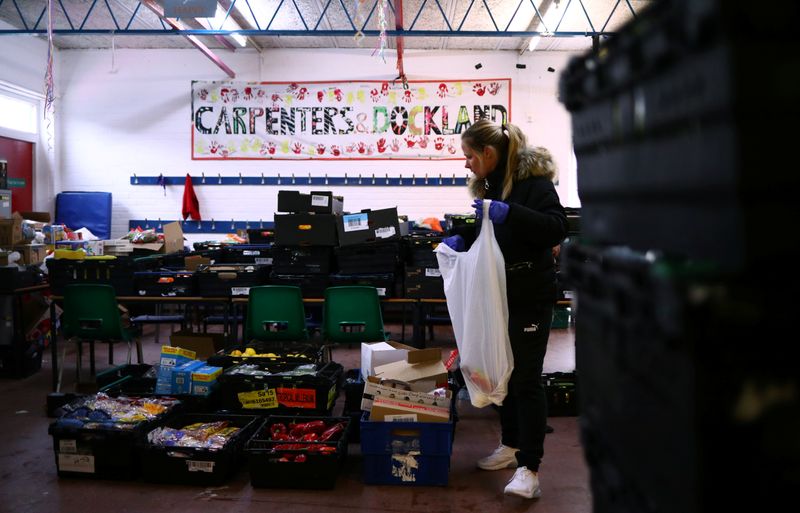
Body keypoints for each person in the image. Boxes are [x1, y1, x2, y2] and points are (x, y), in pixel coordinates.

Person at [442, 119, 567, 499]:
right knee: (503, 375)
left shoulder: (535, 185)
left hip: (530, 295)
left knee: (526, 379)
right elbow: (490, 233)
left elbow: (554, 228)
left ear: (489, 154)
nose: (466, 164)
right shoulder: (492, 186)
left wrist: (510, 213)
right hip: (499, 296)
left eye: (469, 156)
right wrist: (460, 238)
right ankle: (511, 446)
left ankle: (530, 468)